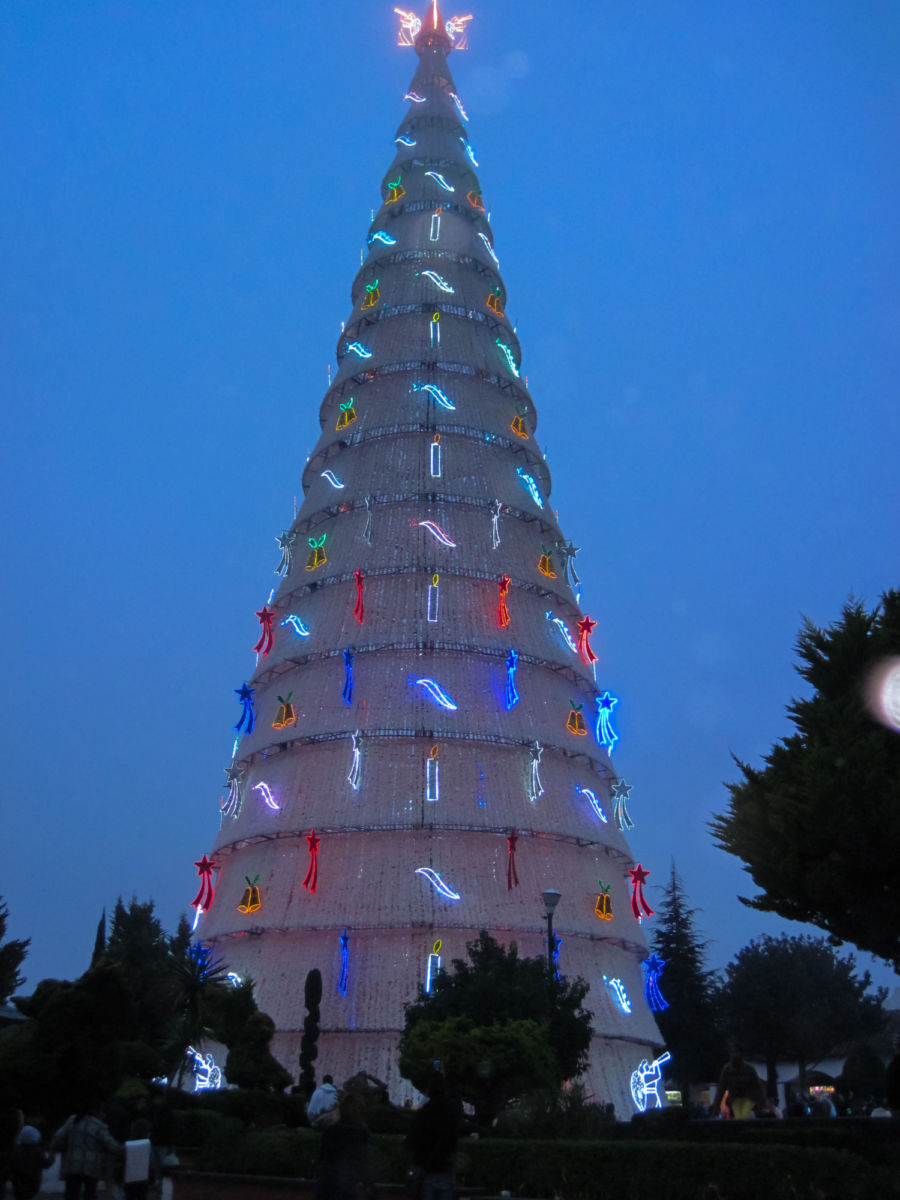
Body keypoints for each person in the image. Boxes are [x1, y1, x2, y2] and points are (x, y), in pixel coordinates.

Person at [52, 1099, 123, 1200]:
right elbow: (112, 1145)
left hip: (72, 1165)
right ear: (96, 1111)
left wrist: (53, 1153)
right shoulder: (99, 1126)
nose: (104, 1115)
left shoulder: (73, 1120)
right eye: (102, 1111)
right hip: (91, 1168)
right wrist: (123, 1149)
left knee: (71, 1195)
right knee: (89, 1195)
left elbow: (58, 1137)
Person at [407, 1073, 461, 1200]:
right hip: (444, 1166)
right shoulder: (452, 1112)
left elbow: (411, 1141)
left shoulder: (424, 1112)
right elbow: (454, 1139)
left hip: (425, 1166)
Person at [315, 1092, 373, 1200]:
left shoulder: (331, 1130)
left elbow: (322, 1158)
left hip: (328, 1184)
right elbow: (364, 1164)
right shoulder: (361, 1133)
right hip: (349, 1186)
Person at [709, 1046, 765, 1120]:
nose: (733, 1055)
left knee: (744, 1116)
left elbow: (758, 1085)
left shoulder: (749, 1069)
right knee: (739, 1118)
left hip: (749, 1097)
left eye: (736, 1052)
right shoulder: (727, 1069)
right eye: (732, 1053)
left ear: (741, 1054)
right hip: (735, 1098)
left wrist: (762, 1101)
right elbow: (721, 1089)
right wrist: (716, 1106)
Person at [10, 1124, 53, 1200]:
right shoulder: (38, 1151)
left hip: (18, 1182)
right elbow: (46, 1164)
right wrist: (51, 1156)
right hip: (33, 1182)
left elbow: (12, 1164)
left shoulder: (17, 1150)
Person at [122, 1118, 160, 1200]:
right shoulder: (148, 1146)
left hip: (129, 1178)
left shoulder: (127, 1144)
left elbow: (123, 1160)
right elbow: (151, 1162)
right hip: (143, 1180)